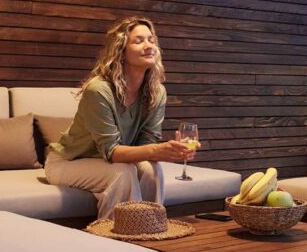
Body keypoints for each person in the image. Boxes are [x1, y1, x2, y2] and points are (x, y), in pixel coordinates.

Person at [44, 16, 195, 223]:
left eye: (151, 40)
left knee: (152, 169)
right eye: (138, 41)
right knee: (122, 172)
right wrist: (157, 150)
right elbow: (111, 152)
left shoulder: (156, 92)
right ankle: (115, 236)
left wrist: (171, 151)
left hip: (106, 162)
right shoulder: (98, 90)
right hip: (67, 163)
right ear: (121, 52)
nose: (149, 45)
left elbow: (146, 142)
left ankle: (153, 228)